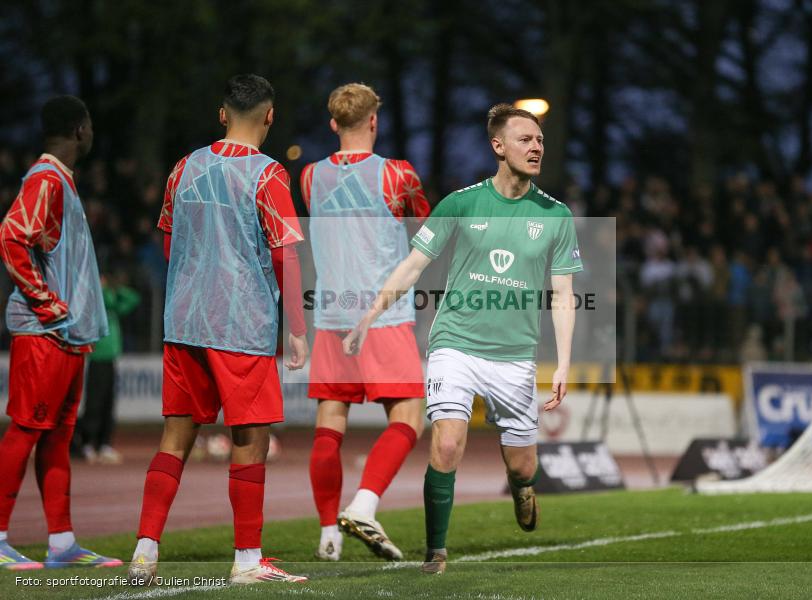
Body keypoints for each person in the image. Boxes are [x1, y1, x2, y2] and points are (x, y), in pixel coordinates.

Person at [344, 104, 582, 574]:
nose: (536, 147)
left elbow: (563, 295)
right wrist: (368, 315)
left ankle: (522, 489)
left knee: (521, 466)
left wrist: (565, 364)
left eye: (539, 140)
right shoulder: (460, 203)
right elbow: (413, 265)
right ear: (498, 147)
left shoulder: (556, 215)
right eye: (524, 140)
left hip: (514, 357)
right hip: (455, 343)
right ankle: (435, 552)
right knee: (447, 444)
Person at [127, 74, 309, 586]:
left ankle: (145, 549)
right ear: (270, 117)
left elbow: (168, 242)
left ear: (221, 113)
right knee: (249, 439)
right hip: (241, 323)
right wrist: (296, 327)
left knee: (175, 436)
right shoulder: (269, 174)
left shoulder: (184, 167)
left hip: (184, 319)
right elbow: (285, 255)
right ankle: (248, 561)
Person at [299, 83, 429, 561]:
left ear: (334, 124)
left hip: (332, 313)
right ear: (374, 121)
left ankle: (327, 534)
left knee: (329, 423)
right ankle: (365, 505)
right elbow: (425, 231)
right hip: (383, 313)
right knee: (410, 415)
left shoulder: (310, 177)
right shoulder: (398, 175)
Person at [0, 96, 121, 569]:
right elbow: (11, 237)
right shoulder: (47, 179)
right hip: (45, 334)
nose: (91, 133)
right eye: (89, 125)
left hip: (68, 337)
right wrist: (49, 306)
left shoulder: (61, 183)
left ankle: (61, 543)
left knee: (54, 438)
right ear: (79, 130)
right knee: (26, 431)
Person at [74, 268, 140, 464]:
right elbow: (103, 300)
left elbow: (133, 299)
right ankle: (87, 443)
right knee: (94, 403)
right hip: (97, 357)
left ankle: (103, 443)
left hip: (110, 358)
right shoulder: (96, 298)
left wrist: (116, 288)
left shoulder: (112, 300)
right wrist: (102, 287)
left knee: (107, 403)